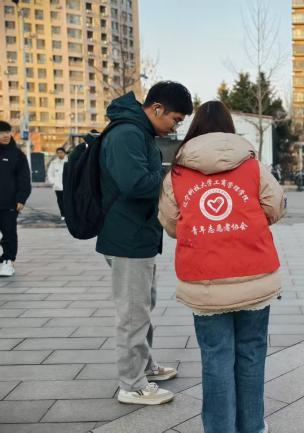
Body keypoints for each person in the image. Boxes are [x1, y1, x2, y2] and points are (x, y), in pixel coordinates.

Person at [159, 100, 285, 433]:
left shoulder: (177, 172)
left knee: (215, 358)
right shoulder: (252, 165)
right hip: (254, 273)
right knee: (252, 354)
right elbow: (275, 207)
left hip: (204, 281)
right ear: (229, 128)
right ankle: (252, 426)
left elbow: (170, 223)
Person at [97, 82, 193, 405]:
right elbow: (135, 183)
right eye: (175, 119)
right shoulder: (127, 134)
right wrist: (172, 178)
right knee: (132, 313)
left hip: (137, 234)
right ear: (156, 109)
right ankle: (132, 384)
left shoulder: (139, 132)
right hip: (127, 237)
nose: (175, 127)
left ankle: (145, 367)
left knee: (142, 306)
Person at [0, 121, 31, 277]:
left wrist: (21, 198)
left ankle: (8, 261)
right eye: (1, 133)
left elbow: (24, 179)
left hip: (9, 203)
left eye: (7, 132)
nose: (5, 135)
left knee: (9, 233)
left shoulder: (17, 155)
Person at [47, 147, 67, 220]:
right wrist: (53, 182)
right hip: (58, 186)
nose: (59, 154)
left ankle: (69, 214)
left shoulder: (69, 161)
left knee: (67, 201)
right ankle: (63, 214)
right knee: (60, 201)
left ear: (64, 153)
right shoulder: (54, 163)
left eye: (61, 152)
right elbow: (50, 173)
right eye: (58, 153)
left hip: (67, 186)